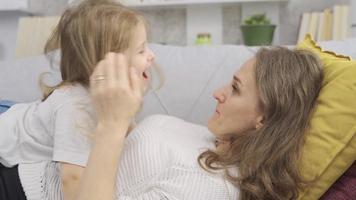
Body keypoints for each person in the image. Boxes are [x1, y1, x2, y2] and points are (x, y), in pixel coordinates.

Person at [75, 46, 324, 200]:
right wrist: (123, 102)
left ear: (264, 119)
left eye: (235, 89)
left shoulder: (208, 189)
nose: (218, 92)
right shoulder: (208, 137)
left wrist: (111, 124)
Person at [0, 0, 155, 200]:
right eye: (141, 50)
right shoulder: (78, 107)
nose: (152, 55)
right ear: (106, 64)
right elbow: (72, 179)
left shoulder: (114, 101)